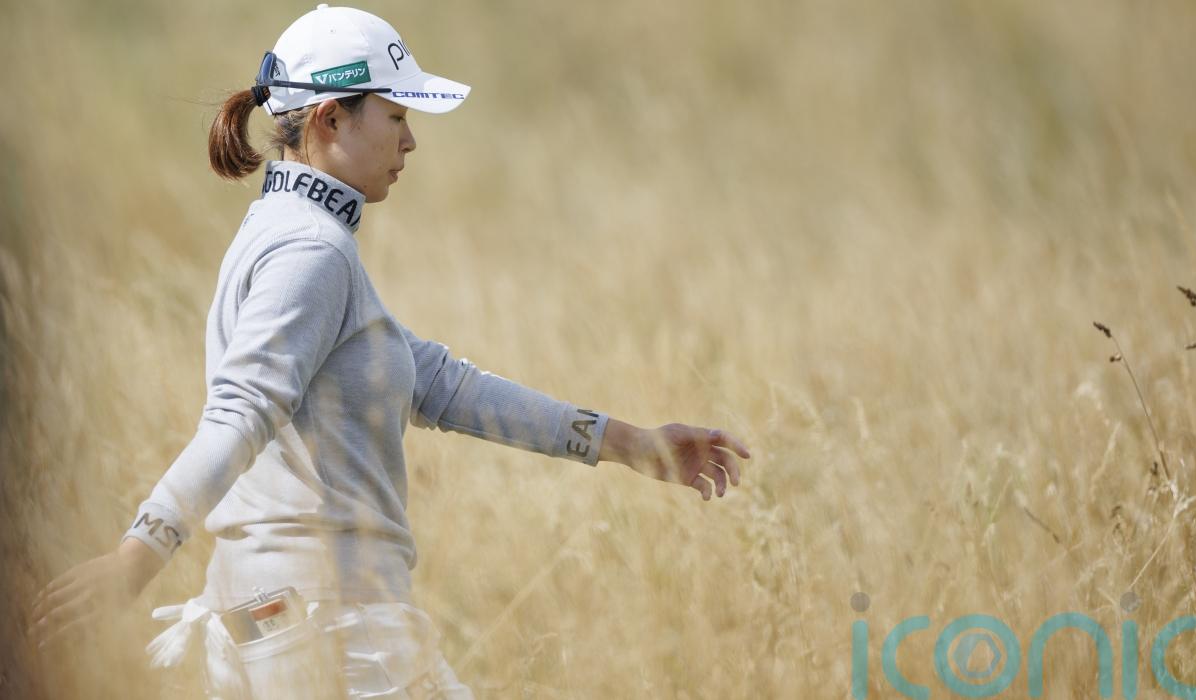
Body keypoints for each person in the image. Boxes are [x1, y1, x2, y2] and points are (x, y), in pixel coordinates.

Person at [26, 4, 752, 697]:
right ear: (329, 118)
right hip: (335, 628)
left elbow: (439, 384)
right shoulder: (311, 251)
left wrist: (631, 445)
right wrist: (137, 557)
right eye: (397, 116)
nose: (410, 142)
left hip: (280, 622)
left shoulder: (286, 232)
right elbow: (241, 411)